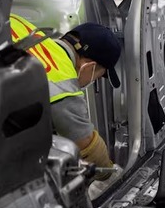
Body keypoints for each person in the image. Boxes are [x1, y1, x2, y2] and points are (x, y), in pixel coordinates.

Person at [9, 14, 121, 179]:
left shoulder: (28, 28)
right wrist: (108, 175)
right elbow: (89, 146)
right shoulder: (64, 83)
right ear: (90, 66)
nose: (93, 81)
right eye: (98, 76)